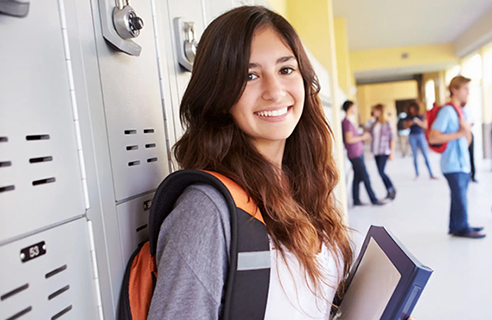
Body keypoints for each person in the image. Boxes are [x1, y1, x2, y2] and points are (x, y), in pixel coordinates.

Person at [148, 7, 357, 319]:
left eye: (286, 70)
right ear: (218, 95)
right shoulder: (207, 211)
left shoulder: (304, 184)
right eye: (250, 76)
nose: (274, 92)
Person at [428, 76, 485, 239]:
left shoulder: (460, 111)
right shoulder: (447, 111)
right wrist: (460, 133)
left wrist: (465, 132)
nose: (468, 93)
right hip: (452, 163)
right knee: (460, 197)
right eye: (465, 89)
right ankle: (462, 227)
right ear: (454, 90)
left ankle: (456, 225)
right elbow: (433, 137)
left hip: (462, 163)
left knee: (458, 196)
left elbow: (465, 140)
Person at [342, 101, 387, 206]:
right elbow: (349, 139)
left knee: (357, 177)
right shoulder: (347, 123)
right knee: (365, 177)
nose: (355, 109)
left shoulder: (348, 121)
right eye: (354, 107)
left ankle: (356, 200)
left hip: (357, 152)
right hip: (355, 154)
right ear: (349, 107)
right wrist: (363, 137)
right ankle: (374, 199)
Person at [369, 104, 397, 200]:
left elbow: (391, 138)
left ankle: (391, 188)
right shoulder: (373, 123)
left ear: (380, 111)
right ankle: (389, 191)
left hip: (384, 151)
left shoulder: (387, 123)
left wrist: (391, 152)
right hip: (376, 151)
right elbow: (368, 132)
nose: (374, 112)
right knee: (380, 172)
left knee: (381, 172)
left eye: (375, 110)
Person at [403, 102, 436, 179]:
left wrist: (418, 122)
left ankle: (431, 173)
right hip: (412, 136)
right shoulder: (408, 117)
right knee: (415, 156)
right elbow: (404, 127)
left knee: (425, 155)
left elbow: (425, 126)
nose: (412, 110)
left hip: (420, 135)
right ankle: (417, 174)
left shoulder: (421, 116)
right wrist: (410, 123)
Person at [462, 105, 478, 182]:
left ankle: (473, 174)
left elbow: (472, 122)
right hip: (460, 136)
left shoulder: (468, 109)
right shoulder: (455, 110)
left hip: (468, 134)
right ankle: (465, 174)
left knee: (471, 155)